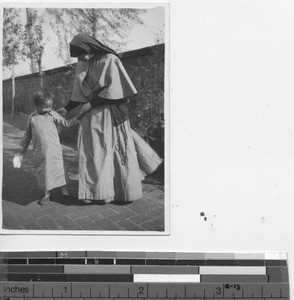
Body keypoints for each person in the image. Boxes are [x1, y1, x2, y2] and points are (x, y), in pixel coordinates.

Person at [58, 33, 163, 204]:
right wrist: (67, 108)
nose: (81, 58)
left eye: (81, 54)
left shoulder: (110, 59)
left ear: (89, 48)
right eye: (77, 56)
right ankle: (97, 193)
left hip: (110, 114)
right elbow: (79, 92)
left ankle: (122, 192)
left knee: (114, 151)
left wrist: (91, 104)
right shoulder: (82, 62)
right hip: (90, 118)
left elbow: (116, 93)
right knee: (94, 155)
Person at [18, 91, 80, 205]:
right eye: (45, 107)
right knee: (44, 172)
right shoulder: (32, 118)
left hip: (54, 150)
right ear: (37, 105)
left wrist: (78, 118)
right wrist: (23, 150)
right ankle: (47, 194)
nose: (48, 109)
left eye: (50, 107)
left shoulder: (53, 114)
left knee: (59, 170)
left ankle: (65, 192)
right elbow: (27, 135)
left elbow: (66, 123)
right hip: (40, 151)